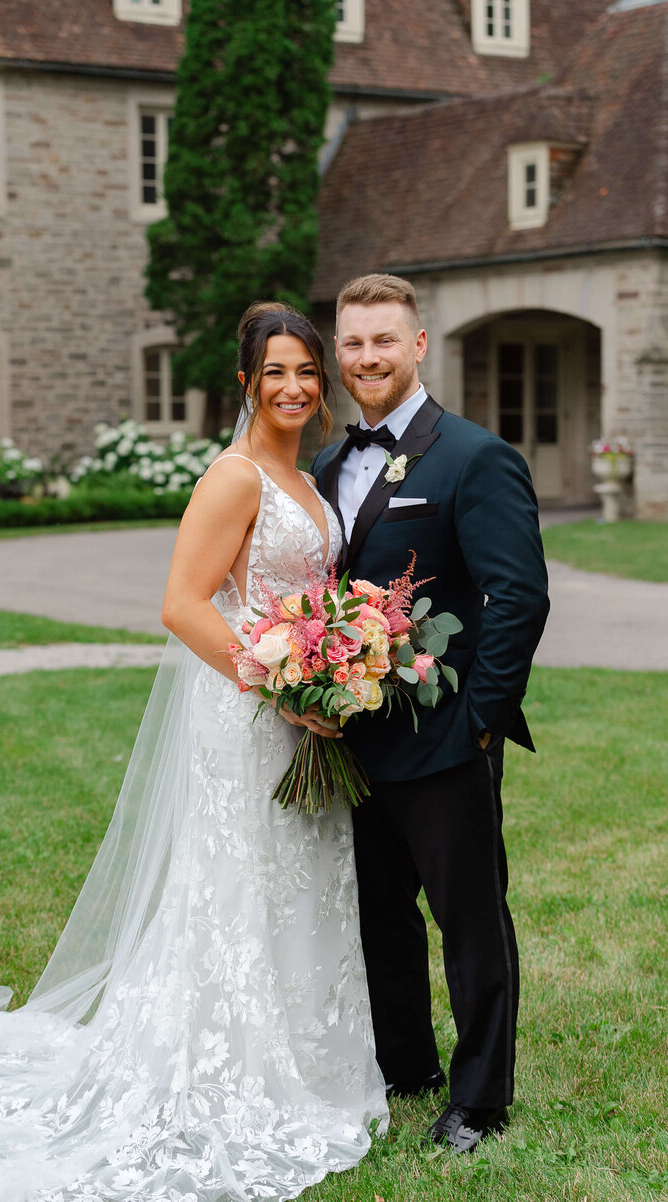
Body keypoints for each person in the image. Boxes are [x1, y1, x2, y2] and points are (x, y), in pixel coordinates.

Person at [0, 303, 387, 1201]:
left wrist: (333, 664)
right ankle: (226, 1072)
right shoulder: (233, 478)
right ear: (246, 385)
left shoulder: (305, 479)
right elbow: (183, 605)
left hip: (302, 710)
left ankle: (313, 1058)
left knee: (302, 878)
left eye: (307, 370)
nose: (295, 386)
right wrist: (285, 690)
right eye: (276, 372)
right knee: (240, 887)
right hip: (250, 714)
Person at [312, 273, 550, 1153]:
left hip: (447, 739)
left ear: (418, 345)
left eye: (384, 340)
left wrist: (480, 721)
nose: (366, 357)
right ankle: (404, 1064)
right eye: (353, 343)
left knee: (471, 920)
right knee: (376, 913)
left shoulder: (474, 456)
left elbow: (516, 597)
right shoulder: (329, 463)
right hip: (352, 736)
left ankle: (481, 1096)